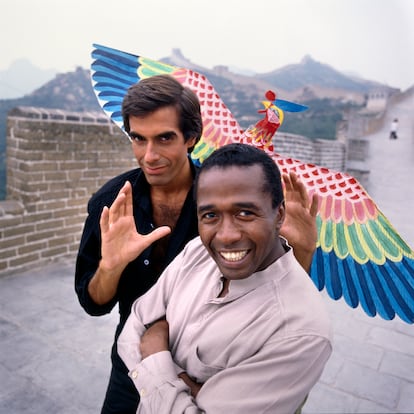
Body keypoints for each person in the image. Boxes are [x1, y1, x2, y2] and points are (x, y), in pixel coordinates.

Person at [75, 74, 319, 413]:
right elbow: (93, 302)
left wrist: (302, 250)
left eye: (163, 138)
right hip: (131, 363)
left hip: (210, 374)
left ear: (191, 137)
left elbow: (273, 294)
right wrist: (111, 266)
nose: (149, 155)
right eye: (138, 139)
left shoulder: (224, 201)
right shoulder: (111, 203)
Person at [116, 143, 332, 414]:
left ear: (279, 215)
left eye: (245, 213)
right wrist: (189, 391)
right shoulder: (197, 252)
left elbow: (144, 339)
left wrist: (156, 354)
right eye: (210, 215)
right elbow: (131, 331)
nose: (226, 235)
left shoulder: (300, 332)